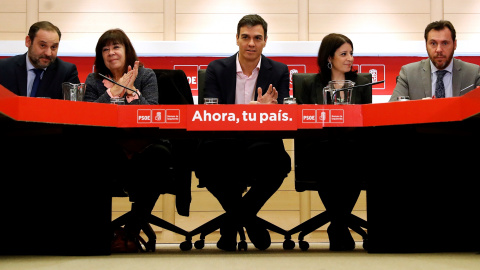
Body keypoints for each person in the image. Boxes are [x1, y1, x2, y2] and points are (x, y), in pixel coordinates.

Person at [194, 14, 291, 251]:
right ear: (237, 39)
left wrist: (273, 111)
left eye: (257, 38)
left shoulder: (278, 70)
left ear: (265, 41)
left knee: (279, 162)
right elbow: (210, 111)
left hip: (261, 143)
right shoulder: (217, 68)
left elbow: (284, 116)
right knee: (205, 159)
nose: (251, 43)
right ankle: (249, 221)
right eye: (245, 37)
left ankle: (232, 222)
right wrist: (251, 109)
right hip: (223, 142)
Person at [84, 28, 167, 252]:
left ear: (126, 50)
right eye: (105, 49)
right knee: (91, 155)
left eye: (116, 47)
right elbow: (88, 115)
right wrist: (113, 93)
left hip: (145, 146)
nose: (111, 52)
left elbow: (152, 114)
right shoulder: (93, 80)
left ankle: (130, 230)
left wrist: (131, 94)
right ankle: (99, 235)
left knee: (161, 155)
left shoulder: (146, 75)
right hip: (110, 147)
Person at [295, 33, 372, 251]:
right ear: (329, 57)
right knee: (329, 155)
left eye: (351, 54)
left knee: (353, 156)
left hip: (352, 148)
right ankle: (340, 224)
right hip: (320, 149)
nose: (350, 59)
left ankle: (337, 225)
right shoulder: (311, 83)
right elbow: (303, 120)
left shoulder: (362, 82)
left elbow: (366, 120)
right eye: (344, 54)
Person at [389, 20, 480, 101]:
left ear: (455, 44)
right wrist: (419, 109)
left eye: (445, 43)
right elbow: (392, 111)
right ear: (426, 45)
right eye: (433, 43)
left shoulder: (474, 73)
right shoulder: (408, 74)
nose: (439, 49)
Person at [0, 21, 80, 98]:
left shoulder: (66, 73)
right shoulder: (4, 68)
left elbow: (73, 109)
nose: (48, 53)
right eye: (42, 45)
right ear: (28, 41)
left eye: (53, 47)